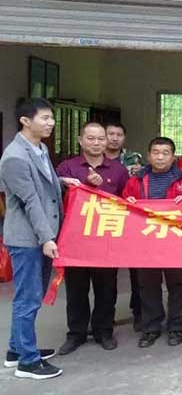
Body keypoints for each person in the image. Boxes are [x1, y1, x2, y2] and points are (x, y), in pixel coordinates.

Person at [1, 98, 66, 379]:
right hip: (28, 238)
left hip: (41, 235)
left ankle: (17, 351)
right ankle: (28, 363)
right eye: (44, 118)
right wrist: (47, 238)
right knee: (27, 299)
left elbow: (43, 185)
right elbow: (30, 201)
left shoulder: (39, 148)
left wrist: (63, 182)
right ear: (25, 121)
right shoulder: (15, 157)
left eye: (51, 118)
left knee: (32, 296)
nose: (51, 123)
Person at [56, 122, 129, 355]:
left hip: (106, 238)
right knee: (76, 289)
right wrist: (81, 185)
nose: (96, 143)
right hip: (75, 239)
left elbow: (128, 201)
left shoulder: (118, 170)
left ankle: (103, 331)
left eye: (100, 138)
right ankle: (76, 333)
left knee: (106, 288)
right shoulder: (67, 168)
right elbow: (57, 198)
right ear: (80, 140)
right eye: (91, 138)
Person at [123, 137, 182, 347]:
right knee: (148, 286)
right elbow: (123, 204)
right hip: (146, 242)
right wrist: (127, 202)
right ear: (148, 156)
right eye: (156, 152)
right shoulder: (136, 181)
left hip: (175, 243)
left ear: (173, 157)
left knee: (176, 286)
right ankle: (151, 328)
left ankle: (176, 327)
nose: (160, 157)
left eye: (165, 153)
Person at [105, 121, 145, 332]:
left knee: (137, 271)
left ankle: (138, 311)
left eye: (118, 134)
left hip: (131, 220)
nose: (114, 138)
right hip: (106, 220)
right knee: (107, 272)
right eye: (110, 134)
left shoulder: (133, 159)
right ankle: (105, 316)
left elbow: (141, 184)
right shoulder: (95, 159)